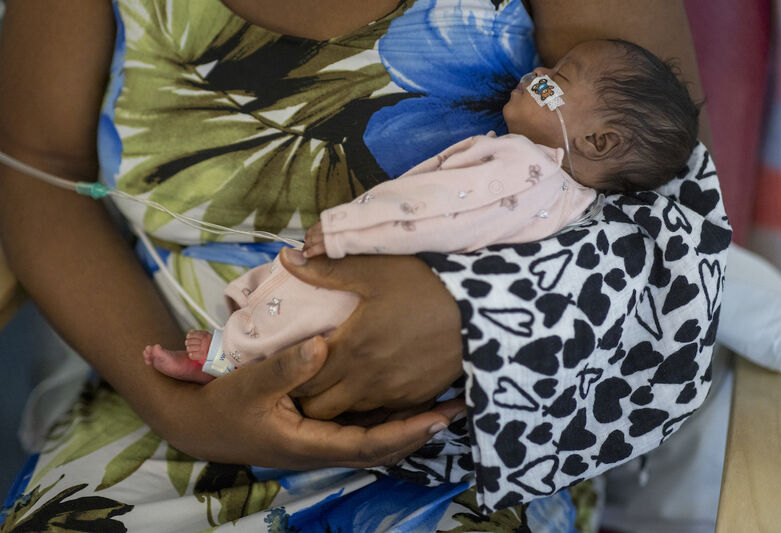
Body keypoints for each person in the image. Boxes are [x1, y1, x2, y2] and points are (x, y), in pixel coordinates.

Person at [0, 1, 727, 530]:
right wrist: (185, 410)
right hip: (171, 384)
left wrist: (469, 313)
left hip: (463, 435)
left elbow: (671, 199)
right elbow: (39, 164)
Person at [141, 39, 699, 387]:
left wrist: (341, 230)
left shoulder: (521, 163)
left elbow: (433, 212)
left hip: (387, 266)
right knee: (325, 346)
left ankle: (227, 357)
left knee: (311, 300)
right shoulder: (571, 205)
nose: (537, 73)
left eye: (558, 79)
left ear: (598, 143)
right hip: (434, 325)